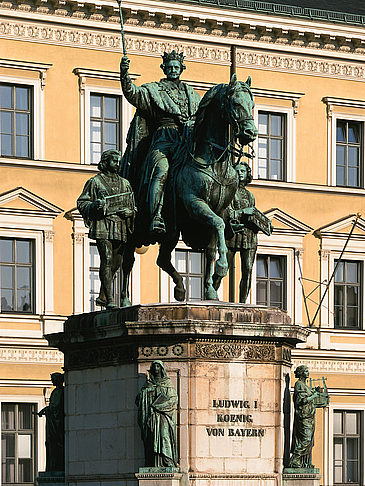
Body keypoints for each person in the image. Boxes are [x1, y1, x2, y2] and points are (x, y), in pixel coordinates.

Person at [120, 51, 201, 235]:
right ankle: (156, 215)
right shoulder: (153, 90)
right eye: (169, 67)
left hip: (186, 141)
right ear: (163, 69)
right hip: (163, 139)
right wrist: (124, 74)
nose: (173, 70)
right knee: (161, 169)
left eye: (176, 67)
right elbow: (133, 93)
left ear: (182, 69)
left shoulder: (193, 96)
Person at [77, 150, 137, 308]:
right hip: (103, 224)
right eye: (114, 161)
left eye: (119, 161)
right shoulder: (95, 182)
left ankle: (103, 295)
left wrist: (130, 212)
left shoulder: (125, 183)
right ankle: (110, 299)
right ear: (105, 162)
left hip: (120, 225)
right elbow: (82, 203)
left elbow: (132, 206)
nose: (117, 164)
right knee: (107, 259)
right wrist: (95, 205)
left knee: (117, 263)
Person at [213, 162, 271, 302]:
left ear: (247, 174)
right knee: (223, 267)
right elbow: (226, 213)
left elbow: (253, 215)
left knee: (248, 271)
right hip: (232, 234)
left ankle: (243, 302)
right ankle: (211, 292)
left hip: (249, 236)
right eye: (237, 170)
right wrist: (243, 212)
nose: (240, 173)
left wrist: (263, 223)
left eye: (243, 171)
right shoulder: (228, 192)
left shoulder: (250, 196)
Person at [136, 360, 178, 467]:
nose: (156, 369)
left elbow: (173, 400)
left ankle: (167, 460)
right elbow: (138, 400)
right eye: (154, 367)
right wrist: (146, 392)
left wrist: (159, 406)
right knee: (151, 439)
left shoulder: (167, 383)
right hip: (151, 417)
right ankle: (153, 462)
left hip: (163, 416)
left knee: (164, 436)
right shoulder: (148, 384)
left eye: (158, 367)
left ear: (161, 369)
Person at [289, 365, 321, 468]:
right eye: (306, 371)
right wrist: (314, 396)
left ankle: (304, 463)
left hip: (309, 416)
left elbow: (308, 398)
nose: (308, 373)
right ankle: (294, 459)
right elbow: (301, 401)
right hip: (303, 417)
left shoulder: (305, 385)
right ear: (301, 373)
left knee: (310, 441)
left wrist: (314, 392)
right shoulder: (299, 385)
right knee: (306, 439)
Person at [36, 372, 64, 472]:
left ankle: (55, 466)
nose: (51, 380)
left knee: (54, 444)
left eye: (53, 378)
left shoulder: (59, 392)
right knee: (51, 444)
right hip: (54, 422)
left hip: (56, 424)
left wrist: (44, 410)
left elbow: (54, 408)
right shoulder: (57, 391)